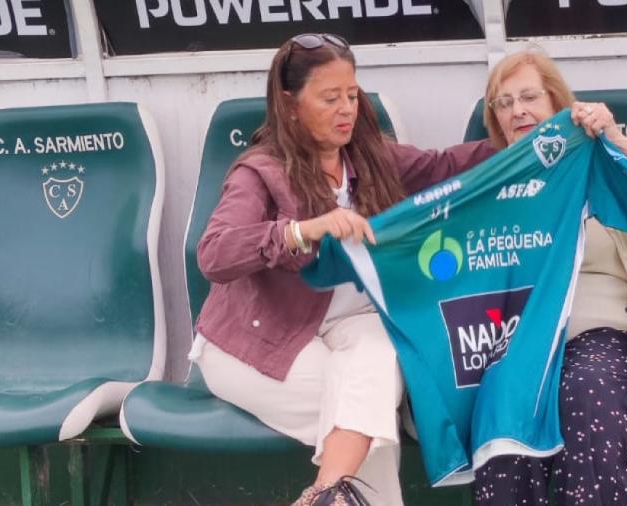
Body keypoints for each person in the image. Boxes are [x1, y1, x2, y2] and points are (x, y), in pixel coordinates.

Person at [191, 33, 493, 506]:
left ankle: (324, 493)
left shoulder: (371, 158)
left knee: (375, 362)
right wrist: (301, 231)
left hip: (352, 328)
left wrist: (542, 137)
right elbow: (214, 254)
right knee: (371, 406)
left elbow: (446, 166)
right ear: (290, 105)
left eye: (351, 95)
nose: (346, 109)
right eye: (330, 98)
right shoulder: (261, 171)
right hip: (257, 346)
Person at [472, 49, 627, 505]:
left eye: (529, 97)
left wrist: (620, 143)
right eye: (504, 103)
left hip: (602, 331)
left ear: (557, 102)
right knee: (504, 402)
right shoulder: (488, 185)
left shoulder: (601, 161)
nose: (517, 110)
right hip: (520, 340)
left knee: (588, 394)